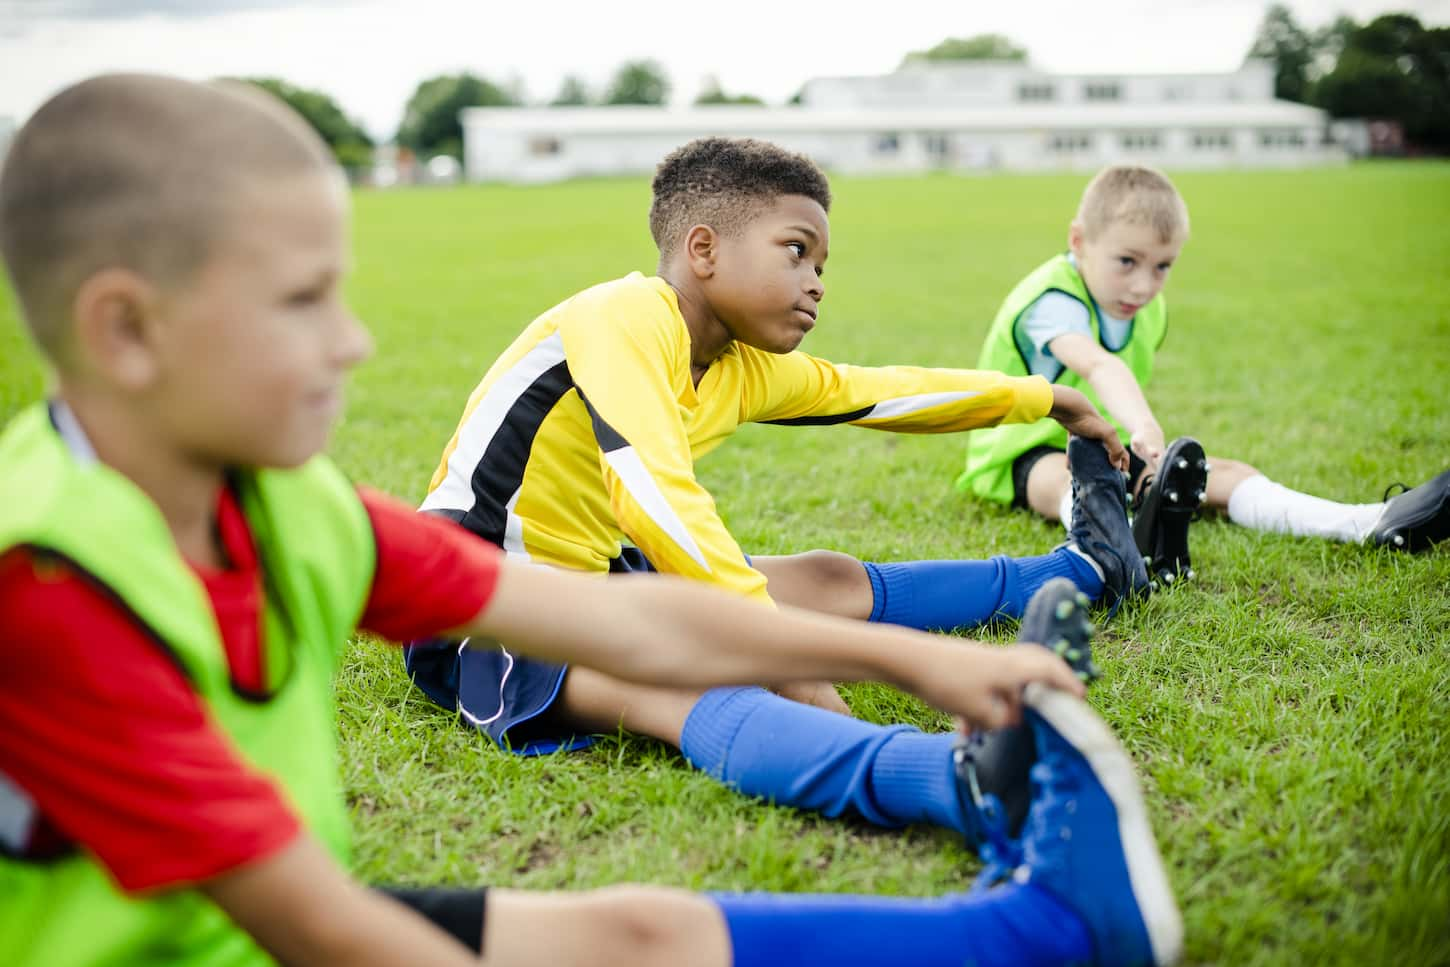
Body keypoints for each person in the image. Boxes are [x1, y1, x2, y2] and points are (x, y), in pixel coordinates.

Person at [0, 73, 1181, 967]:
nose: (354, 340)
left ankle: (1044, 912)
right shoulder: (50, 592)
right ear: (126, 330)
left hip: (552, 600)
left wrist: (902, 655)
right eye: (305, 300)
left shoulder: (291, 503)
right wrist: (836, 677)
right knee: (643, 856)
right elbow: (323, 929)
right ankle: (965, 799)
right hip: (296, 878)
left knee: (651, 899)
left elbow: (862, 406)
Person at [406, 137, 1151, 843]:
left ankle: (1086, 570)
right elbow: (650, 486)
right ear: (703, 249)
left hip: (587, 582)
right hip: (478, 599)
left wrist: (1049, 400)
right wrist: (779, 653)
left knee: (824, 576)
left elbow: (879, 394)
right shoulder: (621, 316)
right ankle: (952, 778)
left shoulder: (736, 362)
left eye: (822, 261)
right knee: (686, 684)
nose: (817, 279)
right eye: (797, 250)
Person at [957, 164, 1449, 583]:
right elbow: (1096, 363)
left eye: (1162, 266)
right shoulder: (1051, 299)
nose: (1144, 285)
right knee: (1064, 476)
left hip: (1105, 444)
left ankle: (1366, 522)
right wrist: (1144, 427)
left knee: (1217, 473)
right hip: (1020, 450)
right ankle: (1109, 543)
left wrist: (1135, 446)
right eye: (1127, 261)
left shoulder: (1146, 307)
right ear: (1079, 241)